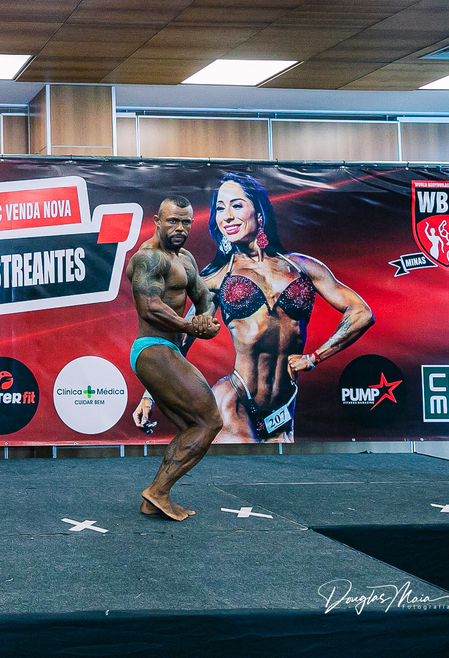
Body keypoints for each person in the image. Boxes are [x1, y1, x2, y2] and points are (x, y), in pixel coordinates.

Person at [199, 173, 374, 443]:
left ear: (259, 213)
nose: (227, 216)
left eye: (237, 205)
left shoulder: (302, 266)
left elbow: (362, 312)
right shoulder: (216, 277)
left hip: (283, 407)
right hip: (235, 398)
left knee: (277, 470)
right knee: (249, 464)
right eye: (220, 209)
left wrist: (314, 357)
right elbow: (179, 338)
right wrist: (149, 397)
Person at [125, 195, 222, 521]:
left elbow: (204, 296)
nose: (180, 228)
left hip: (169, 349)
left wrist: (205, 319)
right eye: (172, 221)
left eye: (186, 222)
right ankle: (158, 491)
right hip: (152, 347)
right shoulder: (148, 258)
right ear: (157, 221)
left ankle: (155, 497)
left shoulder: (186, 259)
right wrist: (189, 326)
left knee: (192, 426)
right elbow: (149, 307)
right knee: (210, 421)